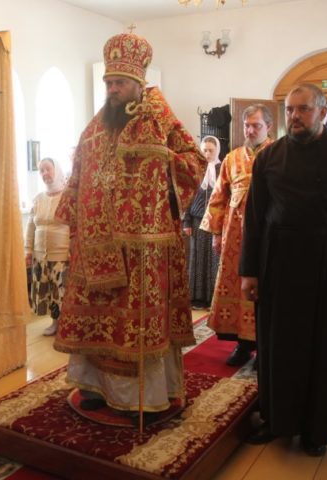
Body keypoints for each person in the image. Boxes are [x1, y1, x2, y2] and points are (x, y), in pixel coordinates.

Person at [53, 31, 205, 425]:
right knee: (95, 325)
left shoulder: (159, 117)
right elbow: (78, 176)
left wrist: (162, 158)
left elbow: (194, 161)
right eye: (109, 82)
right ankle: (93, 387)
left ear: (138, 82)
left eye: (120, 82)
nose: (113, 89)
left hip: (142, 252)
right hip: (94, 247)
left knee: (133, 327)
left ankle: (142, 396)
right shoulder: (95, 127)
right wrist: (73, 224)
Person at [240, 83, 327, 456]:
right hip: (277, 263)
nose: (294, 117)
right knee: (277, 346)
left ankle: (318, 429)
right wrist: (249, 271)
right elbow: (254, 218)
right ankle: (276, 419)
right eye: (289, 110)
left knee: (323, 346)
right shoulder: (270, 157)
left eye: (303, 109)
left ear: (323, 112)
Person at [199, 104, 274, 367]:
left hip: (267, 233)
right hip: (235, 236)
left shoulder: (278, 155)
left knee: (265, 286)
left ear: (268, 127)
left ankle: (265, 347)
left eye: (256, 126)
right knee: (236, 285)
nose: (250, 131)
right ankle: (243, 345)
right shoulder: (231, 158)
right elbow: (219, 197)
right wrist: (216, 233)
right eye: (247, 126)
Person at [25, 157, 70, 336]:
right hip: (40, 254)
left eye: (48, 169)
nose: (44, 173)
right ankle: (54, 322)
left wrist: (72, 249)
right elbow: (31, 227)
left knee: (60, 291)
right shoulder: (38, 199)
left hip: (61, 254)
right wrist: (28, 250)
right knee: (47, 290)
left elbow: (74, 225)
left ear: (56, 170)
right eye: (41, 170)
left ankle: (63, 324)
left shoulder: (67, 197)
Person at [182, 135, 222, 310]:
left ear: (217, 150)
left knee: (214, 259)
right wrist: (186, 222)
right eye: (204, 150)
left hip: (215, 222)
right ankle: (197, 298)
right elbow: (188, 196)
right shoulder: (195, 169)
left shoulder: (222, 169)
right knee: (197, 259)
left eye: (211, 150)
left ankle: (213, 298)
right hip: (197, 221)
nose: (207, 154)